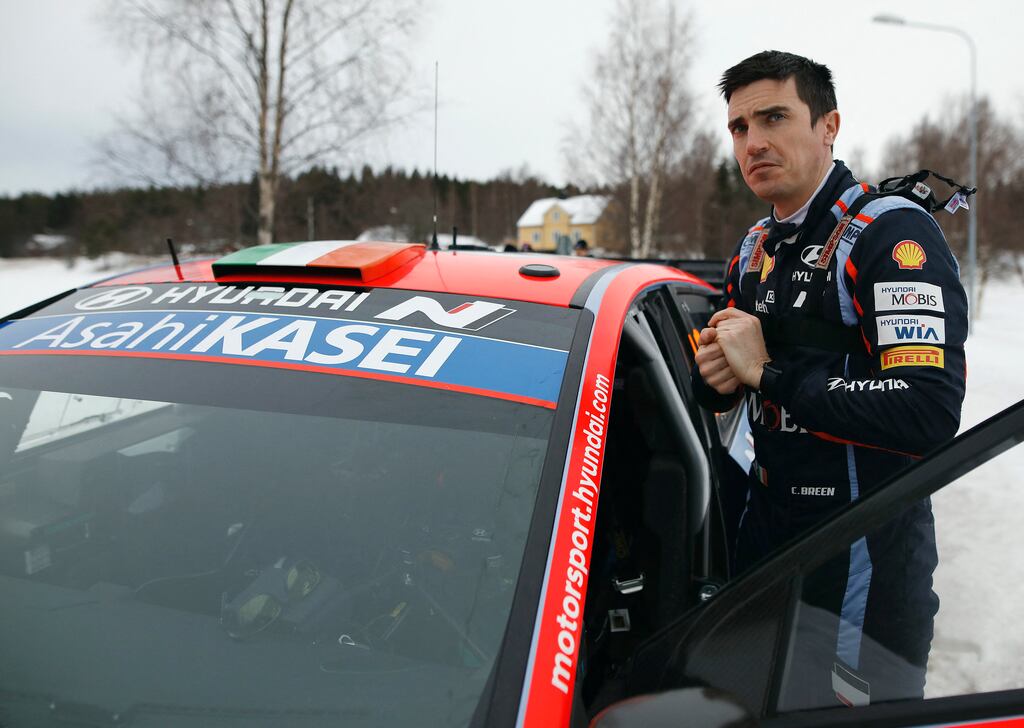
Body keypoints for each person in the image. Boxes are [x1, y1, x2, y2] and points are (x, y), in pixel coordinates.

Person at [692, 51, 967, 709]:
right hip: (768, 547)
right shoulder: (754, 248)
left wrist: (770, 374)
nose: (753, 142)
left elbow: (927, 410)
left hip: (863, 558)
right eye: (737, 127)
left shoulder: (889, 234)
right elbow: (734, 391)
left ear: (828, 125)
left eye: (774, 117)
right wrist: (720, 381)